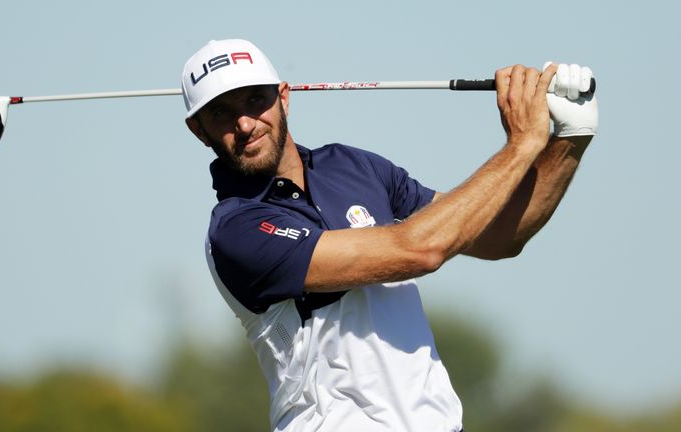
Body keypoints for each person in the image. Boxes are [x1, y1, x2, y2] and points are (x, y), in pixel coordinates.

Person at [181, 39, 597, 432]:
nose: (246, 122)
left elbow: (497, 237)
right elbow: (420, 249)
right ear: (199, 131)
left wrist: (567, 142)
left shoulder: (354, 166)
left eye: (256, 99)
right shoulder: (236, 230)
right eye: (221, 112)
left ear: (283, 95)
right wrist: (522, 145)